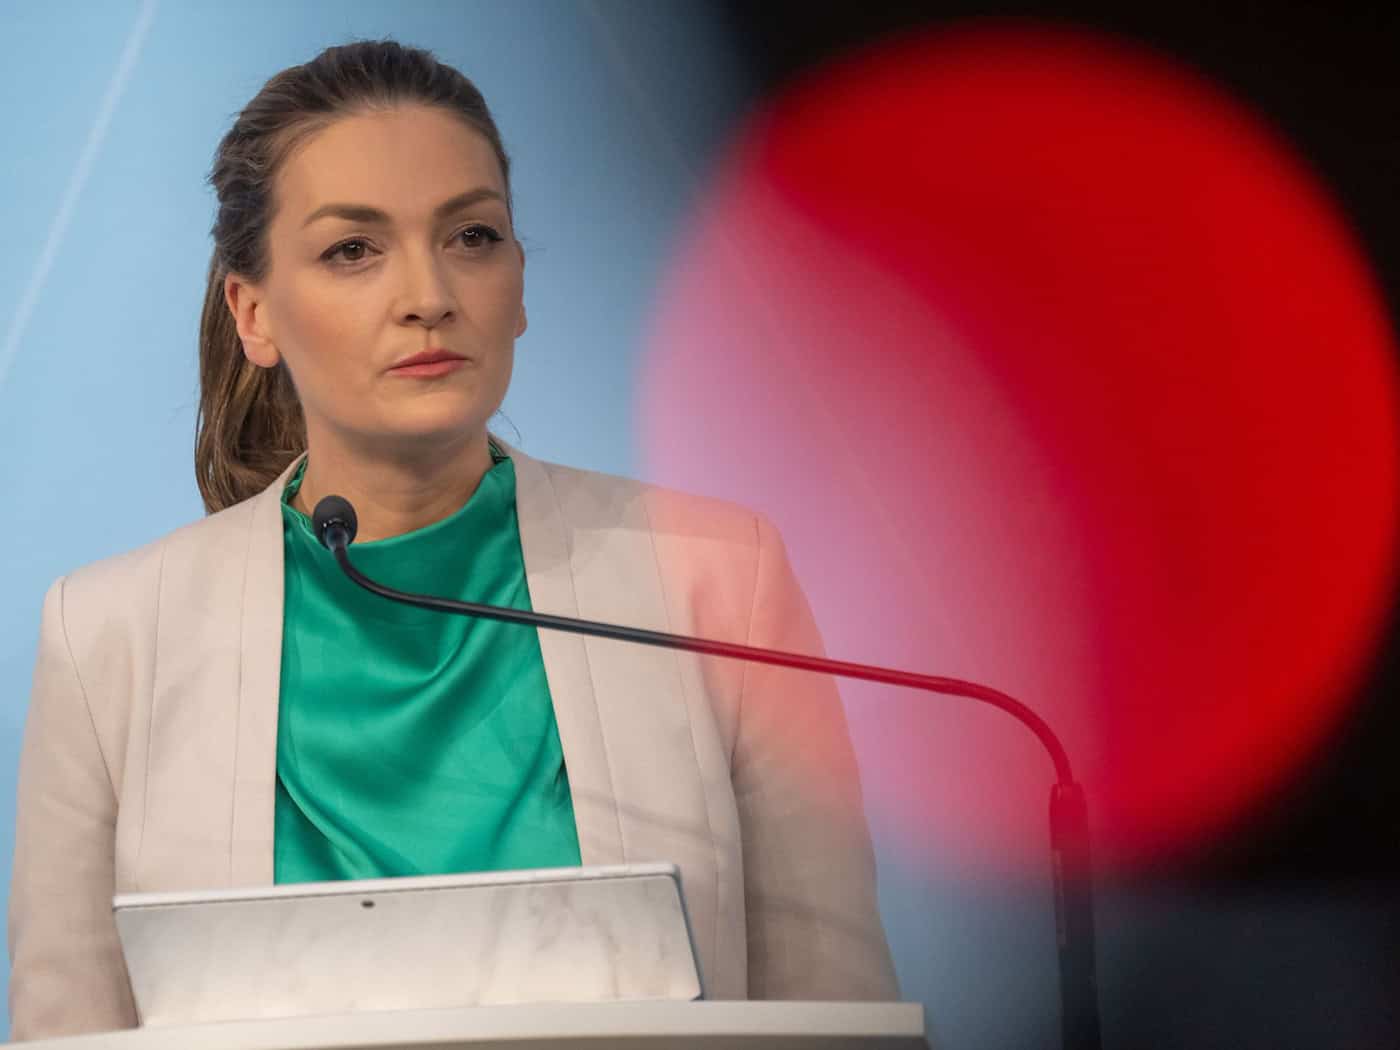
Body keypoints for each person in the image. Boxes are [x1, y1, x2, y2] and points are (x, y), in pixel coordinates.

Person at [7, 38, 898, 1040]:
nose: (429, 293)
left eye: (471, 236)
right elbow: (65, 1033)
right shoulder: (109, 635)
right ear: (253, 314)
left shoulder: (717, 582)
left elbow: (837, 1011)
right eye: (354, 248)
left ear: (518, 284)